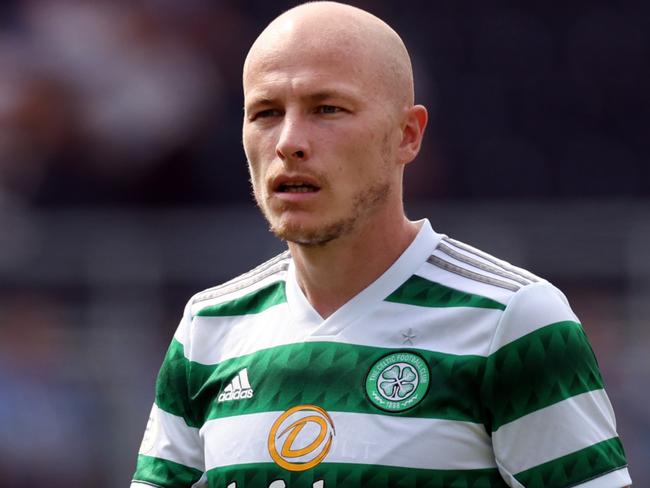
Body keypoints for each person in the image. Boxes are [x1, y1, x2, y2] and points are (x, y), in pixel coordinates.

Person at [130, 2, 631, 487]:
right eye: (265, 113)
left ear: (407, 135)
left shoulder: (514, 322)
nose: (288, 141)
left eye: (327, 108)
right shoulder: (208, 328)